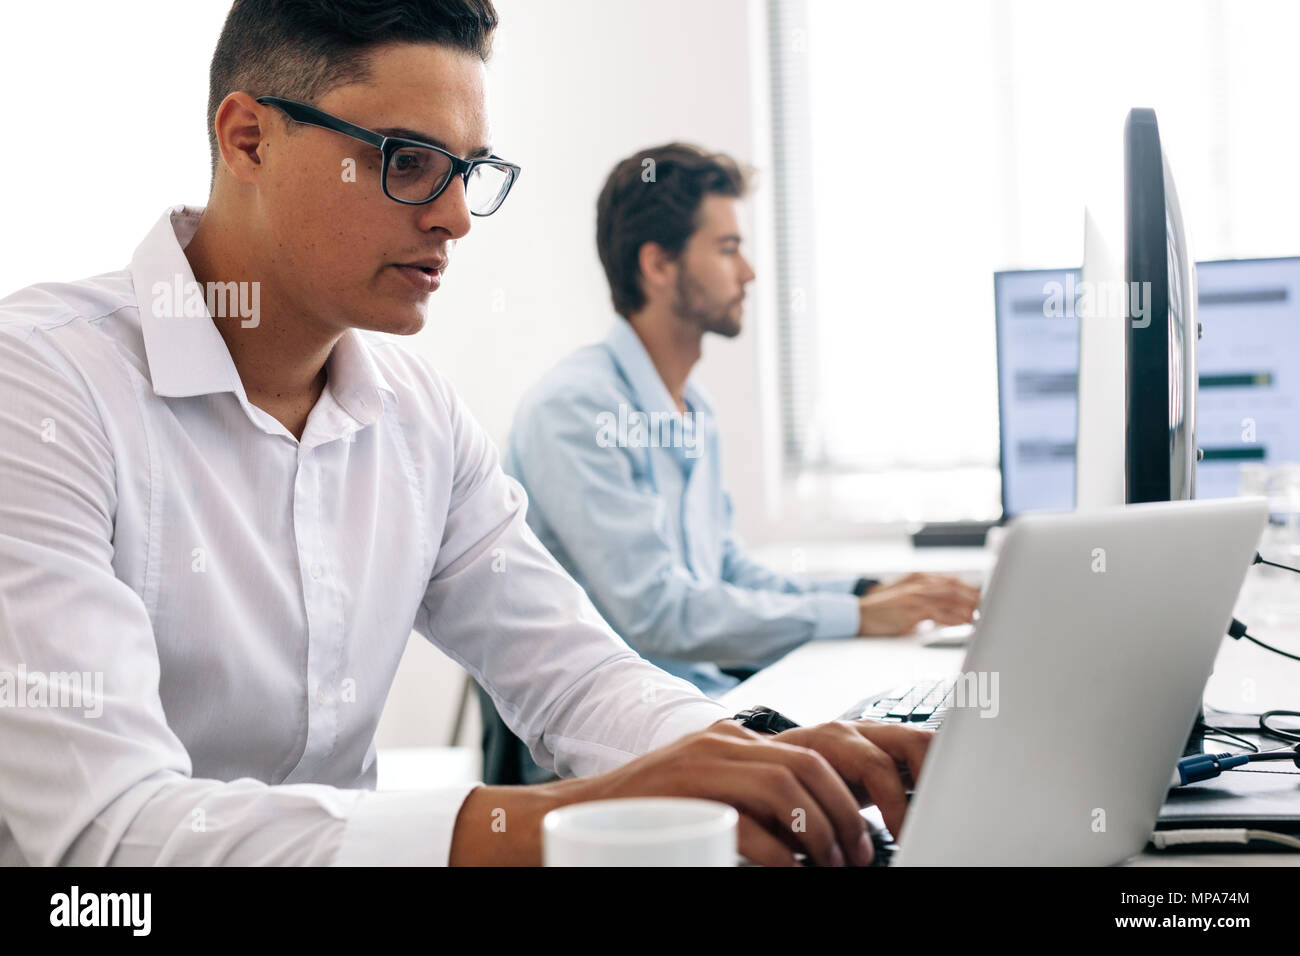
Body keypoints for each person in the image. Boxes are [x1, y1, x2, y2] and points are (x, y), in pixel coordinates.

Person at [0, 0, 931, 867]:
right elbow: (107, 834)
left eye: (470, 172)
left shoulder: (419, 414)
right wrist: (566, 816)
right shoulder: (42, 386)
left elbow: (575, 673)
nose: (452, 218)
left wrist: (764, 764)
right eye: (407, 161)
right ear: (249, 139)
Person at [483, 144, 978, 782]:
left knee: (892, 751)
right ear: (658, 264)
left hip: (700, 706)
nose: (748, 271)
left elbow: (726, 569)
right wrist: (855, 616)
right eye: (726, 249)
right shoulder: (574, 409)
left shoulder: (695, 409)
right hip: (604, 762)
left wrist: (865, 593)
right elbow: (659, 615)